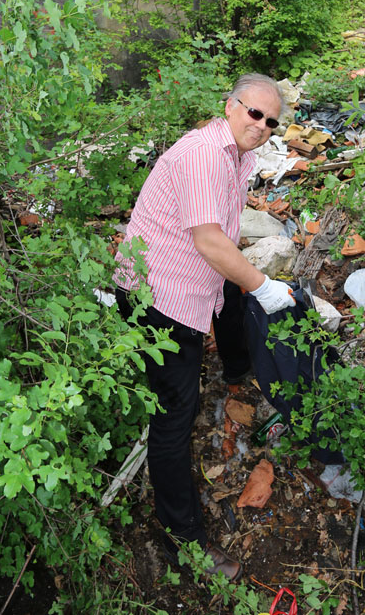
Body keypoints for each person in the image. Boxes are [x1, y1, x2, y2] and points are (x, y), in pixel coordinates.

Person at [113, 73, 296, 581]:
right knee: (175, 417)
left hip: (193, 281)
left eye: (271, 121)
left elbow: (222, 239)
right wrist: (264, 284)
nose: (261, 126)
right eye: (254, 113)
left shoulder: (237, 156)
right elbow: (210, 242)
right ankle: (183, 541)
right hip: (158, 297)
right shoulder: (203, 154)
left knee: (233, 296)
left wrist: (245, 280)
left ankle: (237, 372)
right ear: (230, 105)